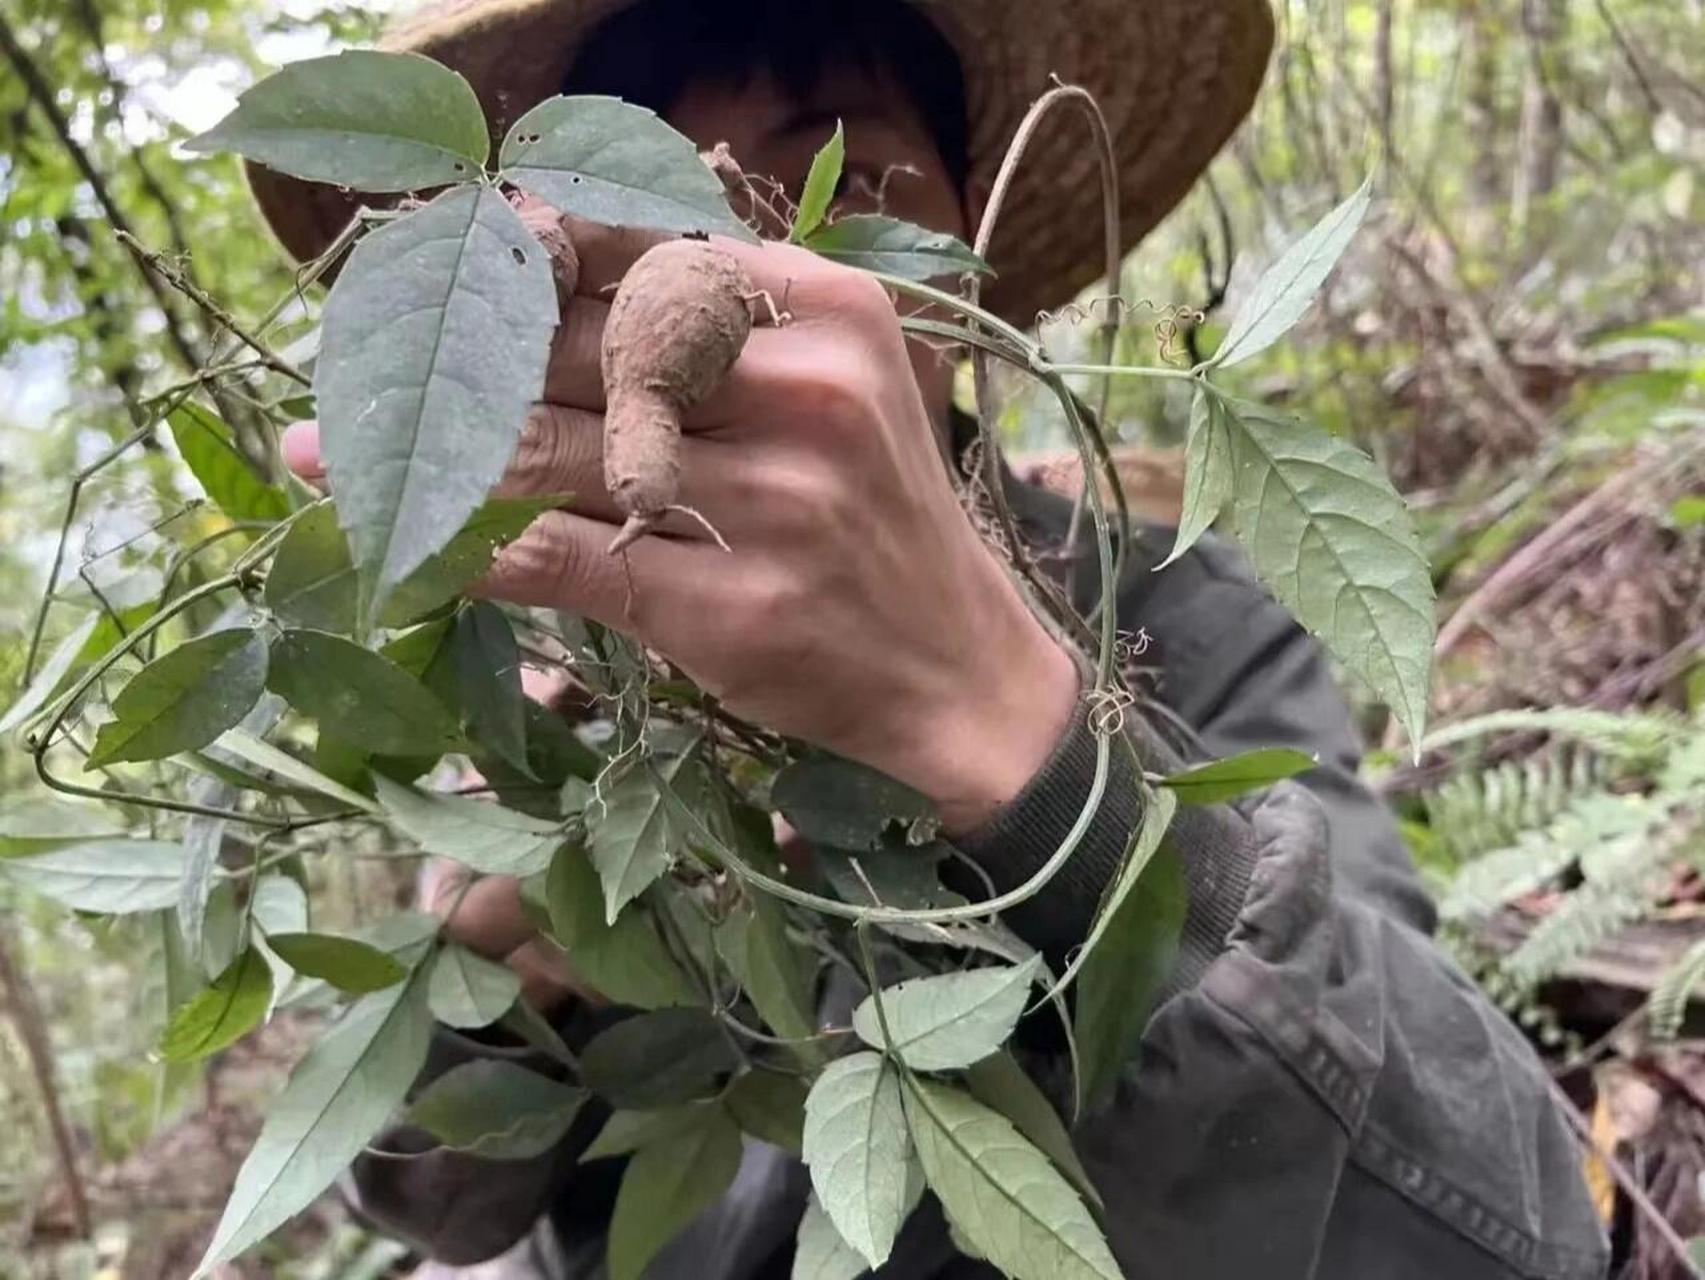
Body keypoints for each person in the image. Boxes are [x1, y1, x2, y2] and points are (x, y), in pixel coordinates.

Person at [256, 1, 1609, 1276]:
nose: (751, 248)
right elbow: (423, 1197)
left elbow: (1490, 1227)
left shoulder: (1190, 623)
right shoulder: (550, 647)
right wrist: (482, 994)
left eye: (844, 177)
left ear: (971, 236)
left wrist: (1029, 750)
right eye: (663, 194)